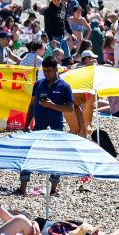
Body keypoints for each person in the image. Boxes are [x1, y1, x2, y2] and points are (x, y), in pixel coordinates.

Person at [18, 57, 73, 195]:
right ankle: (22, 187)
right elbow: (31, 105)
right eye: (44, 71)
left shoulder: (64, 87)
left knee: (55, 157)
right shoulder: (39, 84)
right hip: (38, 127)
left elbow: (70, 108)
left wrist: (52, 106)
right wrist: (26, 125)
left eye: (49, 71)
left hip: (56, 128)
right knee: (28, 156)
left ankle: (53, 189)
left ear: (56, 69)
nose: (47, 73)